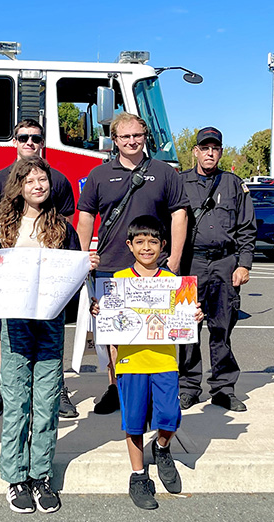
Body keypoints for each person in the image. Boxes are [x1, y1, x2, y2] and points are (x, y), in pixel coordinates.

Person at [0, 157, 99, 513]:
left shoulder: (61, 227)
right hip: (15, 324)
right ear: (19, 186)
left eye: (42, 179)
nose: (38, 185)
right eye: (30, 180)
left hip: (49, 324)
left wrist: (86, 266)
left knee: (46, 403)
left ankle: (41, 474)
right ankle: (16, 477)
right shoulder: (6, 228)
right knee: (17, 403)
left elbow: (73, 276)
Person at [77, 112, 188, 415]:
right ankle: (117, 387)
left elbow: (180, 214)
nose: (132, 141)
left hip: (156, 268)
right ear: (114, 140)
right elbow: (86, 217)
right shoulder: (99, 175)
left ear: (144, 137)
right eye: (125, 137)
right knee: (114, 334)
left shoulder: (164, 172)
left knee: (157, 332)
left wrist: (174, 261)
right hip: (112, 266)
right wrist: (81, 258)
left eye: (137, 135)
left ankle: (154, 388)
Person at [90, 215, 203, 510]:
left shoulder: (173, 283)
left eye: (153, 242)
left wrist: (193, 316)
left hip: (165, 361)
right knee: (135, 421)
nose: (147, 247)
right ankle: (138, 475)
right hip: (131, 364)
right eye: (140, 242)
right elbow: (107, 320)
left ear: (163, 246)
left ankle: (162, 447)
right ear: (129, 246)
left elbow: (184, 319)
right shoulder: (117, 281)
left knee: (170, 417)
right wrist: (99, 312)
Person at [0, 119, 77, 420]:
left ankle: (57, 389)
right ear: (15, 141)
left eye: (36, 138)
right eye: (24, 137)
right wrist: (5, 246)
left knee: (52, 333)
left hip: (47, 282)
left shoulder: (57, 179)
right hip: (14, 287)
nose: (30, 143)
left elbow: (67, 221)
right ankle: (0, 388)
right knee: (4, 332)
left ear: (42, 141)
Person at [178, 127, 256, 412]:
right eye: (204, 148)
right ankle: (188, 386)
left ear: (221, 151)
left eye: (215, 148)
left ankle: (223, 388)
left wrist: (244, 264)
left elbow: (247, 228)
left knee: (222, 328)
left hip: (225, 264)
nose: (210, 152)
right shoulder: (180, 182)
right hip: (191, 263)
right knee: (187, 329)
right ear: (196, 151)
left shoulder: (233, 184)